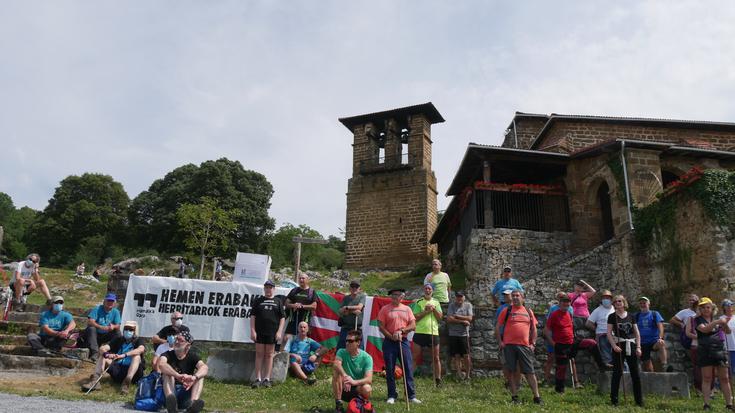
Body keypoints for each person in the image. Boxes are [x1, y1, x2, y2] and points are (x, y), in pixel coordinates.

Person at [544, 293, 601, 393]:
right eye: (564, 302)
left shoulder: (569, 313)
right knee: (561, 367)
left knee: (591, 343)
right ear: (560, 303)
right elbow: (546, 331)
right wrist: (553, 343)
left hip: (572, 342)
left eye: (568, 303)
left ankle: (602, 365)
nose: (566, 304)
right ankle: (559, 389)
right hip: (560, 345)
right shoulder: (554, 314)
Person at [495, 290, 542, 404]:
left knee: (530, 372)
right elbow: (497, 327)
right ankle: (514, 397)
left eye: (517, 296)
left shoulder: (528, 311)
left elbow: (534, 329)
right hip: (509, 346)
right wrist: (500, 342)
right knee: (510, 372)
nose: (515, 298)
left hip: (524, 346)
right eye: (513, 296)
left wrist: (533, 343)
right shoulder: (507, 310)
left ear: (523, 298)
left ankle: (537, 398)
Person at [377, 288, 421, 405]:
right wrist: (391, 337)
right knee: (390, 369)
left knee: (407, 368)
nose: (395, 297)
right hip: (389, 342)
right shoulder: (385, 309)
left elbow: (413, 325)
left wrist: (402, 331)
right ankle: (392, 395)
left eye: (398, 295)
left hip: (404, 341)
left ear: (402, 297)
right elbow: (381, 326)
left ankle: (411, 395)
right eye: (393, 295)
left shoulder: (407, 309)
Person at [82, 320, 145, 395]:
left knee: (137, 356)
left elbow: (141, 349)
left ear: (135, 331)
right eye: (126, 328)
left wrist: (124, 355)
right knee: (103, 356)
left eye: (131, 329)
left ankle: (126, 383)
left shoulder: (139, 340)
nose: (128, 331)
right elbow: (103, 348)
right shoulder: (118, 339)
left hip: (134, 374)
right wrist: (107, 354)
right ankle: (95, 381)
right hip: (118, 369)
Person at [694, 297, 733, 410]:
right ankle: (706, 404)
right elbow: (705, 329)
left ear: (712, 308)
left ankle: (729, 404)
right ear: (700, 310)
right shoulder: (698, 320)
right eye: (702, 307)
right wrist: (718, 322)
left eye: (708, 307)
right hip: (705, 350)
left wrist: (724, 324)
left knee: (724, 378)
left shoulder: (717, 319)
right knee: (707, 378)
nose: (705, 309)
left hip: (719, 350)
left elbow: (728, 332)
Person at [607, 295, 643, 407]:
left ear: (624, 302)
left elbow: (637, 333)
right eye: (615, 301)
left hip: (631, 345)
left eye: (620, 301)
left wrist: (638, 347)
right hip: (618, 346)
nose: (618, 303)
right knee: (617, 373)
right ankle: (614, 400)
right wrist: (614, 346)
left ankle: (639, 401)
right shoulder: (612, 316)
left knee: (635, 374)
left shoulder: (632, 316)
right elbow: (608, 333)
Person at [159, 331, 208, 413]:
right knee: (167, 374)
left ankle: (193, 405)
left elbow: (204, 367)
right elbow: (161, 364)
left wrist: (193, 378)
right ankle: (172, 406)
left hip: (185, 391)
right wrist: (177, 375)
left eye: (180, 340)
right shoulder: (167, 354)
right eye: (176, 339)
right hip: (169, 392)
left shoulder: (192, 356)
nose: (177, 342)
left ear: (188, 345)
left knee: (200, 377)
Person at [251, 279, 285, 388]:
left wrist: (279, 331)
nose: (268, 289)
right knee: (259, 354)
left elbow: (282, 318)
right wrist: (252, 331)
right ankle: (257, 379)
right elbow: (253, 317)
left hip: (272, 332)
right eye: (266, 287)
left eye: (270, 287)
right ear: (264, 289)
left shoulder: (278, 301)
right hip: (259, 331)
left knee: (269, 355)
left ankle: (267, 379)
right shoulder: (258, 300)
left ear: (273, 289)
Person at [333, 329, 373, 413]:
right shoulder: (341, 352)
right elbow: (336, 364)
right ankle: (339, 405)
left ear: (358, 343)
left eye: (350, 341)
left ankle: (361, 406)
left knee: (367, 388)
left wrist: (353, 382)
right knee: (336, 371)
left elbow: (369, 379)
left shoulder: (367, 358)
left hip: (357, 388)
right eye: (346, 340)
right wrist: (345, 376)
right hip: (343, 386)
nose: (347, 343)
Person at [412, 283, 443, 385]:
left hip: (433, 332)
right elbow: (415, 318)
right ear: (423, 290)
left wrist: (433, 310)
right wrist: (426, 311)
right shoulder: (419, 302)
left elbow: (440, 318)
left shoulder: (436, 302)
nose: (427, 290)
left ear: (432, 291)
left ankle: (438, 379)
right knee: (415, 357)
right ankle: (409, 378)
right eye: (426, 288)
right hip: (420, 332)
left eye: (429, 289)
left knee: (436, 357)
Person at [671, 294, 701, 392]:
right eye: (690, 300)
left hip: (704, 343)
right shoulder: (685, 312)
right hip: (691, 342)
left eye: (694, 300)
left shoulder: (702, 311)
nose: (692, 301)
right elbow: (672, 320)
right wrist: (682, 324)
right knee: (696, 365)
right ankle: (698, 387)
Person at [544, 292, 573, 386]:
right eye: (561, 298)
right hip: (554, 338)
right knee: (551, 358)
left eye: (565, 299)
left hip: (566, 340)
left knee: (569, 359)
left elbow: (570, 322)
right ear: (559, 300)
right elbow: (548, 324)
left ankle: (574, 381)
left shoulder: (570, 309)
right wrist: (552, 341)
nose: (564, 301)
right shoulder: (553, 309)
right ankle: (546, 380)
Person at [635, 296, 670, 372]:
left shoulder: (654, 314)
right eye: (641, 303)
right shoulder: (637, 316)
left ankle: (664, 365)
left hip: (653, 341)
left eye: (644, 303)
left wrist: (660, 338)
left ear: (648, 304)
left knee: (661, 343)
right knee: (648, 367)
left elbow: (660, 327)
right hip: (642, 343)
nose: (642, 305)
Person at [84, 292, 122, 361]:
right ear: (104, 301)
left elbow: (118, 325)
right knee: (91, 329)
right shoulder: (97, 309)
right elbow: (90, 321)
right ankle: (95, 352)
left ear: (114, 303)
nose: (110, 302)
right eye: (108, 300)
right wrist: (101, 327)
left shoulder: (116, 312)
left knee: (118, 333)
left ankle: (113, 352)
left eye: (112, 301)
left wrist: (113, 326)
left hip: (107, 334)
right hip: (96, 334)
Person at [284, 273, 317, 345]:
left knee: (302, 341)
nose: (301, 280)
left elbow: (314, 306)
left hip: (305, 320)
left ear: (307, 280)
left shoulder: (312, 292)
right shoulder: (294, 290)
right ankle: (284, 355)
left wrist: (302, 306)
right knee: (286, 339)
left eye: (303, 278)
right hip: (293, 320)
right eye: (300, 278)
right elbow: (286, 304)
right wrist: (294, 305)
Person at [446, 290, 473, 379]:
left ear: (464, 297)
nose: (459, 298)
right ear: (455, 297)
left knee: (466, 355)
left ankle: (468, 375)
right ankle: (459, 374)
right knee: (456, 355)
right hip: (453, 334)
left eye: (461, 297)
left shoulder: (468, 305)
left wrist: (457, 316)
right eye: (458, 296)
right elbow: (449, 319)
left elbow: (470, 318)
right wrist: (462, 321)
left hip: (464, 334)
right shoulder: (451, 305)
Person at [586, 289, 615, 369]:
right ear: (602, 299)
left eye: (608, 298)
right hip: (602, 335)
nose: (606, 299)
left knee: (617, 355)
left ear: (611, 299)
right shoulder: (597, 310)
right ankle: (609, 374)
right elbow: (588, 323)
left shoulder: (614, 309)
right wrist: (597, 329)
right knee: (606, 357)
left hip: (614, 335)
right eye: (604, 298)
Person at [337, 280, 366, 349]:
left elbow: (359, 307)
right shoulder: (346, 298)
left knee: (358, 349)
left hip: (356, 328)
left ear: (359, 289)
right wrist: (353, 311)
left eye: (356, 287)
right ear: (350, 288)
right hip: (345, 327)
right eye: (352, 286)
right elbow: (340, 311)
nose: (354, 288)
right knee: (341, 348)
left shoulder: (362, 297)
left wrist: (347, 308)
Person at [721, 299, 735, 377]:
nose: (730, 307)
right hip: (727, 348)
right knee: (729, 370)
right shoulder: (721, 318)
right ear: (724, 308)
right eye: (728, 305)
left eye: (731, 305)